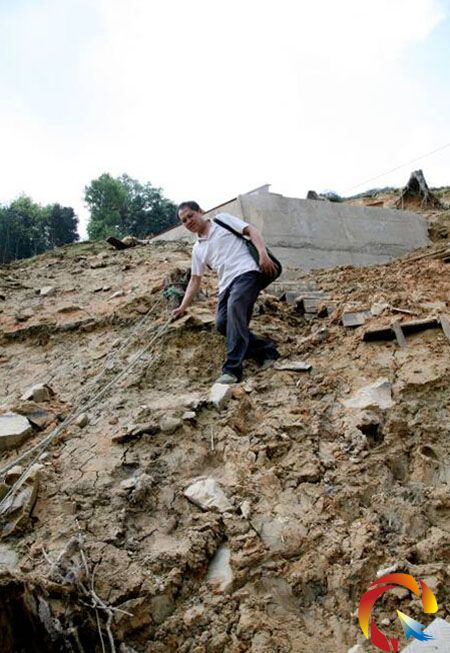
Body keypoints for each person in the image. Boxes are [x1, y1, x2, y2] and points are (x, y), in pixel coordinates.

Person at [172, 201, 280, 384]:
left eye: (190, 215)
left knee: (235, 305)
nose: (188, 221)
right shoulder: (197, 249)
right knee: (223, 324)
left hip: (247, 272)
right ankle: (267, 351)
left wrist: (263, 254)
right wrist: (182, 307)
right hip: (226, 284)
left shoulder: (221, 220)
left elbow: (252, 231)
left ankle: (232, 369)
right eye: (184, 220)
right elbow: (195, 280)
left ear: (200, 211)